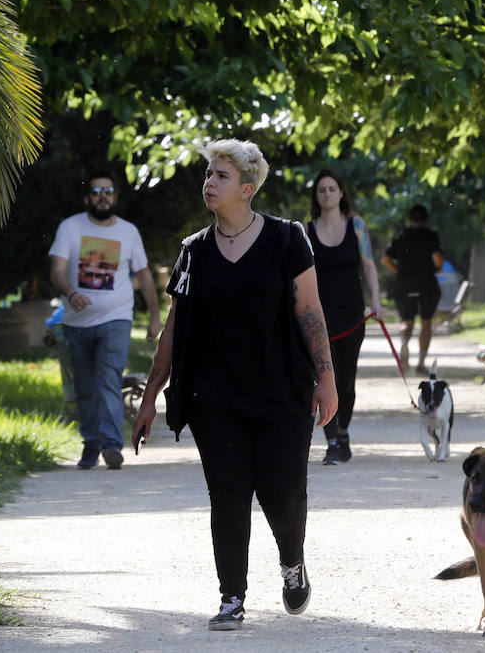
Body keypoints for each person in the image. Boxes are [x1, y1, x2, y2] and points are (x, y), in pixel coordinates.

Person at [132, 139, 339, 631]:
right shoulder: (193, 253)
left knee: (283, 494)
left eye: (220, 176)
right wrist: (149, 397)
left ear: (247, 189)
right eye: (208, 174)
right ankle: (232, 596)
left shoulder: (289, 240)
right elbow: (174, 330)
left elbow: (309, 309)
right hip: (214, 397)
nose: (209, 182)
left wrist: (326, 379)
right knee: (227, 495)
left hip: (282, 393)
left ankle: (292, 559)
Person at [48, 169, 161, 471]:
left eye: (108, 192)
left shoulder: (128, 232)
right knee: (85, 387)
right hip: (76, 322)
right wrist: (71, 294)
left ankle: (111, 444)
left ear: (115, 197)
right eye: (97, 192)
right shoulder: (70, 228)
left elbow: (144, 275)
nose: (103, 197)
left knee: (108, 379)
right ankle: (91, 443)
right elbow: (57, 270)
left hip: (116, 319)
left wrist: (154, 316)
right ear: (88, 198)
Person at [305, 169, 383, 465]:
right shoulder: (306, 231)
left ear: (341, 193)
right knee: (325, 379)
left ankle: (343, 431)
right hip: (317, 318)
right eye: (321, 190)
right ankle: (333, 440)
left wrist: (375, 300)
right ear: (316, 196)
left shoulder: (358, 226)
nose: (327, 194)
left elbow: (370, 266)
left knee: (346, 381)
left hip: (352, 315)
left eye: (332, 189)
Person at [381, 204, 443, 372]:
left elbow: (385, 260)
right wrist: (436, 268)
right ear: (426, 219)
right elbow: (437, 259)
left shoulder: (401, 236)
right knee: (426, 324)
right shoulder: (430, 236)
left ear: (409, 219)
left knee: (406, 321)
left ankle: (404, 342)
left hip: (404, 284)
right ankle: (421, 363)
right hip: (426, 284)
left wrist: (399, 270)